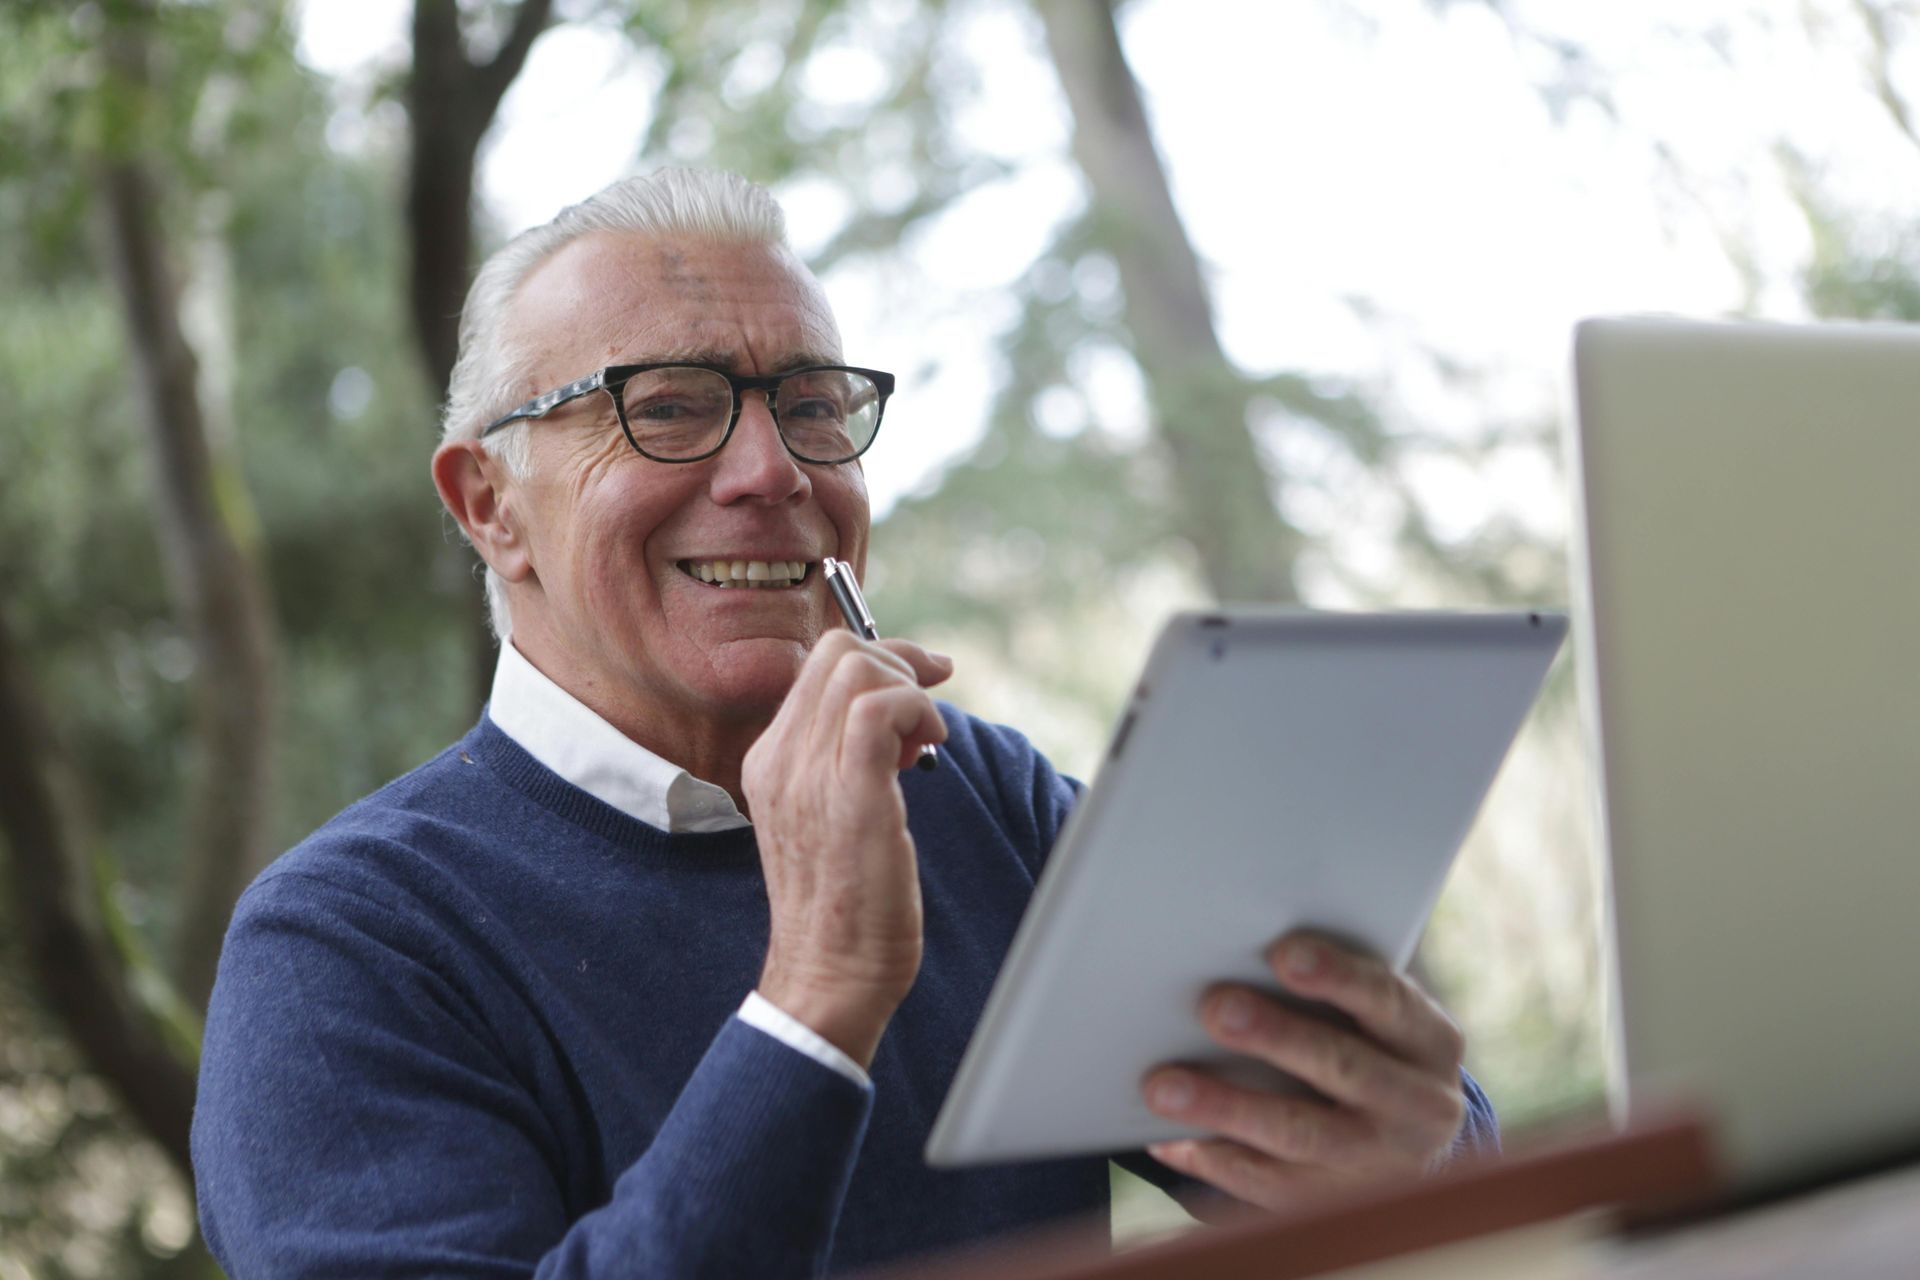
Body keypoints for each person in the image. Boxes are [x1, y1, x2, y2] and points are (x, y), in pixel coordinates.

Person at [190, 168, 1496, 1279]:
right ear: (489, 503)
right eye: (670, 405)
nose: (773, 472)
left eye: (812, 406)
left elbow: (1358, 1165)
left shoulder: (969, 789)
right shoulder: (344, 948)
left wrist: (1418, 1158)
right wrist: (815, 1001)